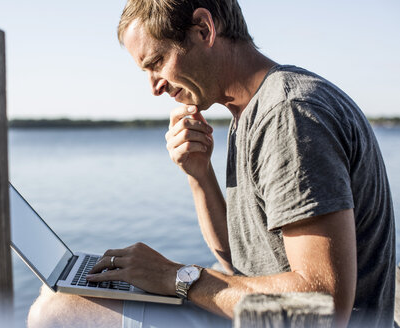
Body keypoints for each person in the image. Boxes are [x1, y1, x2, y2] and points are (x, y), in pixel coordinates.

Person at [27, 1, 395, 327]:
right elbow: (242, 261)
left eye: (156, 62)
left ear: (204, 29)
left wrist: (175, 276)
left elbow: (323, 308)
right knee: (56, 298)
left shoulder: (288, 115)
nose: (154, 86)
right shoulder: (248, 112)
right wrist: (199, 174)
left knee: (58, 312)